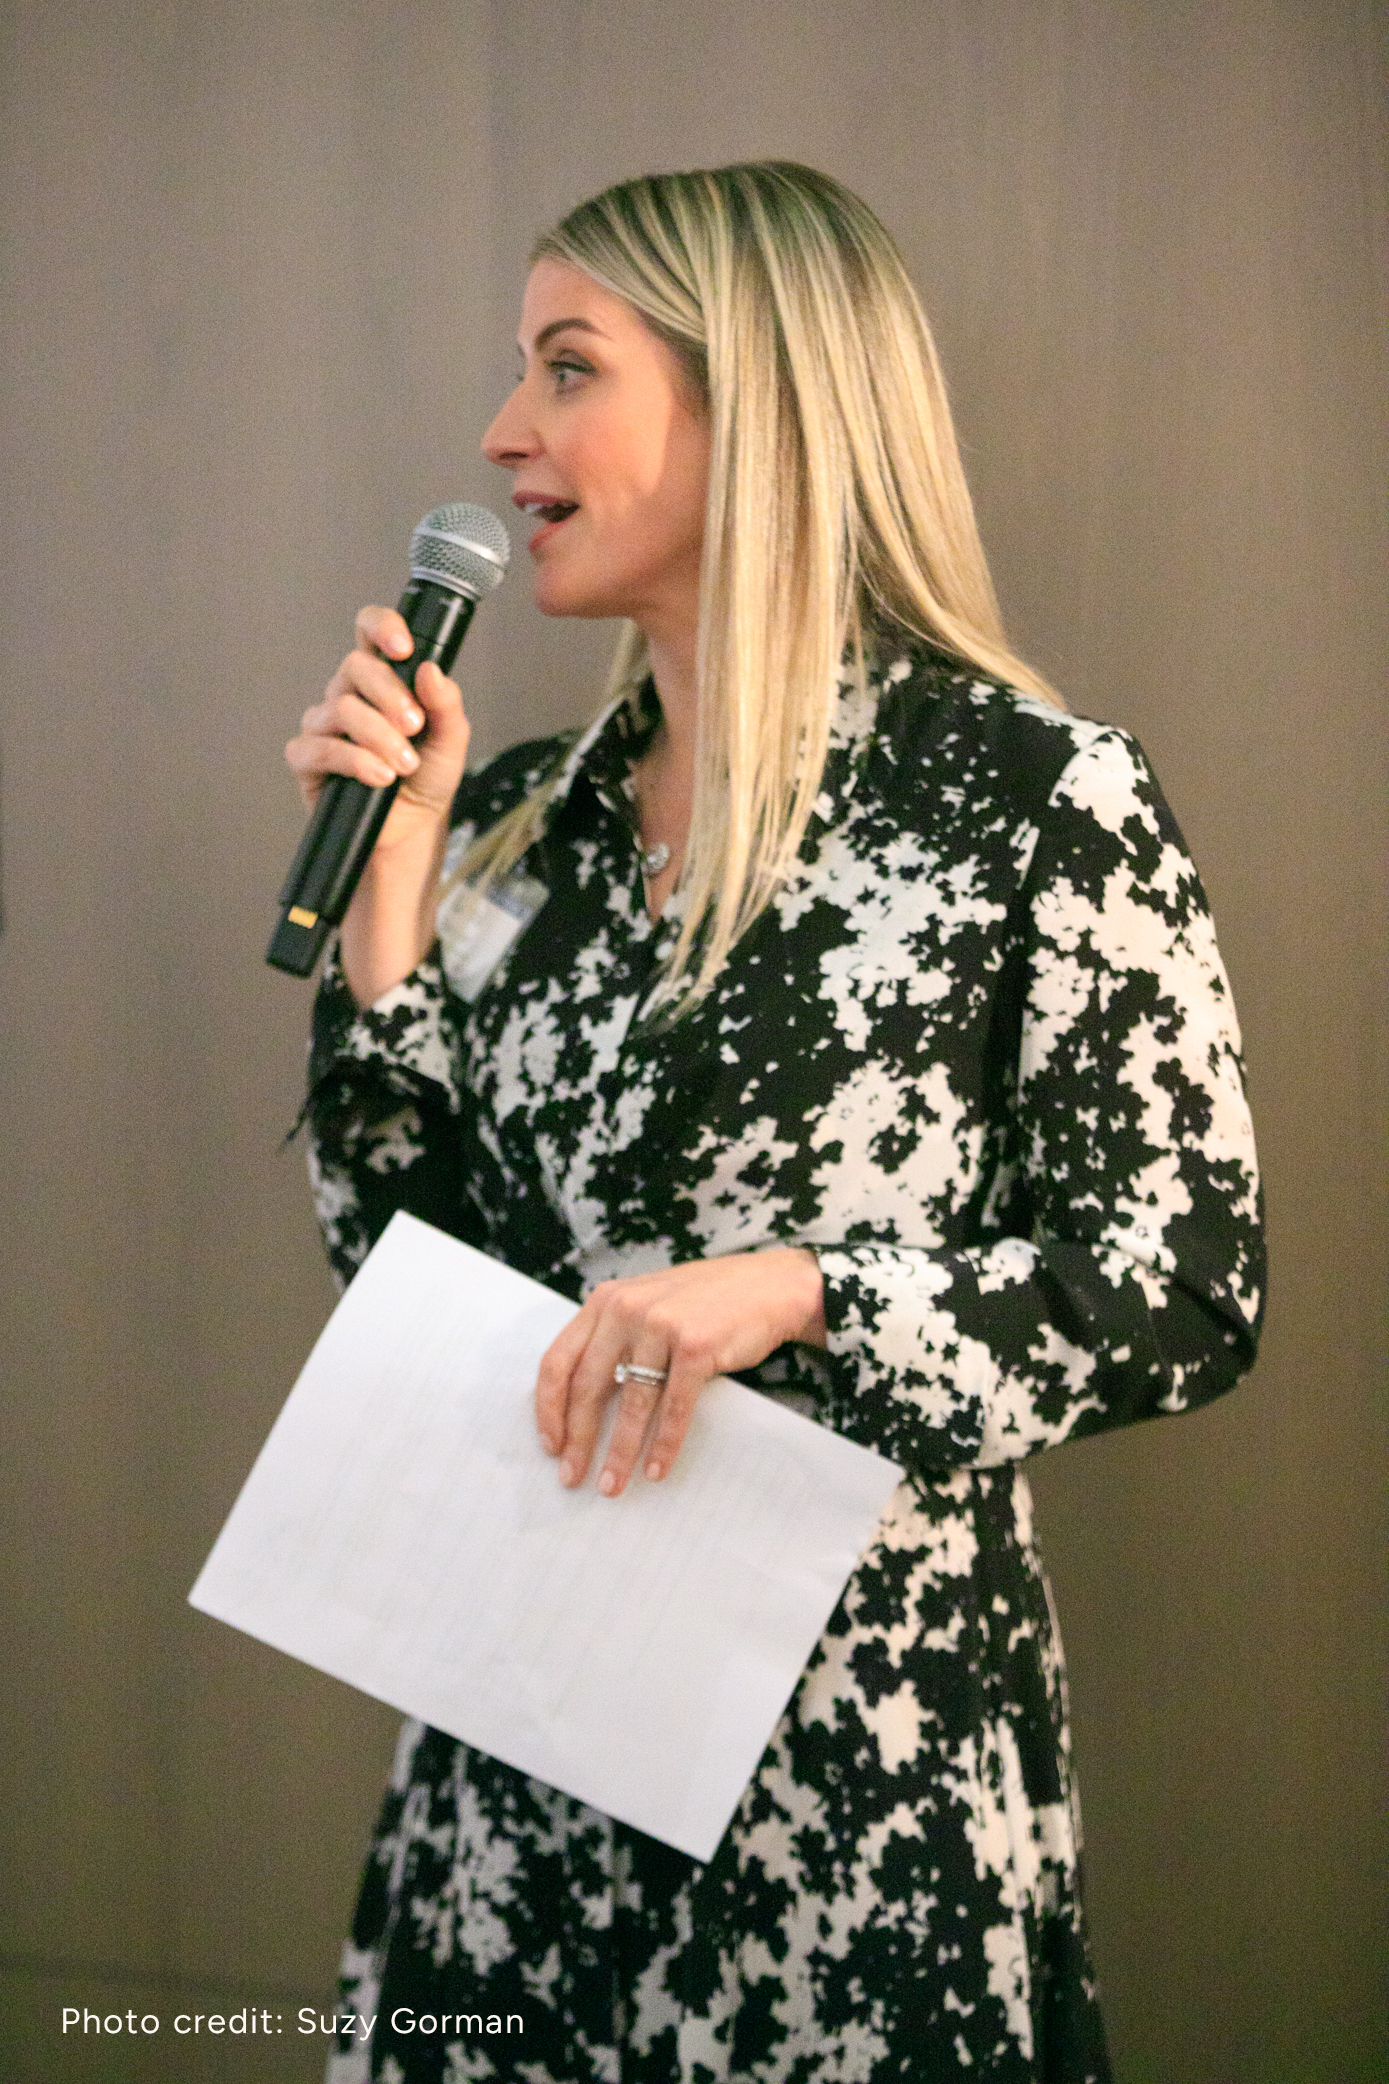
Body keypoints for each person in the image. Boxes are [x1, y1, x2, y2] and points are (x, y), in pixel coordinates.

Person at [289, 162, 1263, 2084]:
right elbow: (392, 1261)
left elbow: (1185, 1284)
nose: (504, 435)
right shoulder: (532, 821)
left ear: (768, 409)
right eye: (519, 372)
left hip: (846, 1814)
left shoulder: (1029, 805)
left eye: (570, 369)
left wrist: (805, 1293)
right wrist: (393, 885)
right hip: (516, 1788)